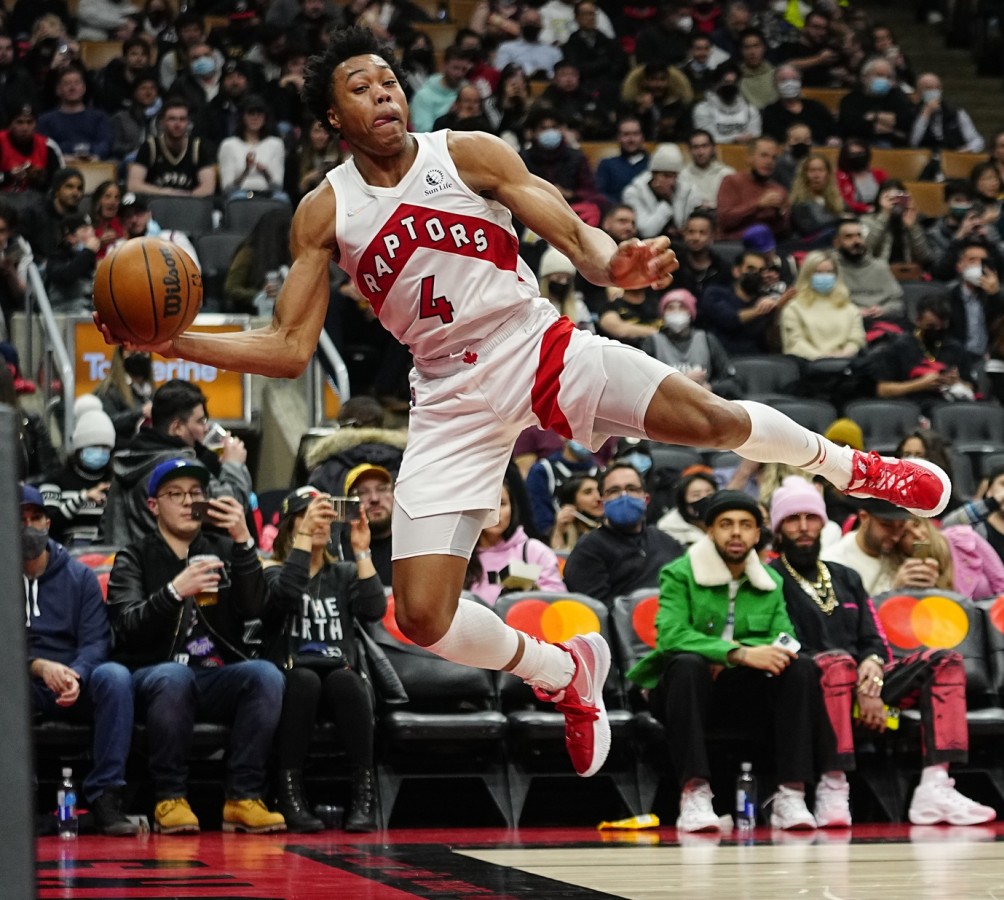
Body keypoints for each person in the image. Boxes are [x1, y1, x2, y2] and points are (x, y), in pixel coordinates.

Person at [96, 27, 953, 783]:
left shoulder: (465, 151)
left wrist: (611, 261)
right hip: (448, 395)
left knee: (713, 419)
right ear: (333, 120)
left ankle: (858, 468)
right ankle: (560, 671)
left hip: (534, 343)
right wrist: (174, 342)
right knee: (422, 615)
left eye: (389, 80)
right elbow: (287, 349)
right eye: (360, 88)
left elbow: (570, 233)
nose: (383, 94)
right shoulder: (326, 210)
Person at [769, 479, 997, 827]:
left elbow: (874, 639)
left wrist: (872, 674)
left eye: (811, 517)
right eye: (792, 519)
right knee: (836, 663)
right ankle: (833, 784)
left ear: (822, 522)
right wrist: (860, 679)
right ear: (778, 529)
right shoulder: (769, 578)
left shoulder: (846, 577)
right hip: (811, 688)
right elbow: (784, 641)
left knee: (945, 660)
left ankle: (936, 785)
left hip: (865, 680)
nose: (803, 527)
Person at [626, 490, 833, 832]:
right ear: (710, 532)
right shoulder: (680, 573)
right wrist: (738, 653)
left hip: (741, 688)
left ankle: (790, 794)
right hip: (686, 691)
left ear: (757, 534)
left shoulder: (771, 580)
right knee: (688, 664)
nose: (735, 533)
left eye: (745, 525)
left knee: (801, 667)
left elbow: (784, 638)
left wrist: (738, 657)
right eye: (726, 525)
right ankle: (695, 793)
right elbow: (671, 636)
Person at [106, 458, 286, 835]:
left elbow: (255, 609)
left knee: (265, 675)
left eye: (196, 493)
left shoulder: (222, 547)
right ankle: (169, 797)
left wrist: (243, 540)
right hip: (154, 673)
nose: (189, 502)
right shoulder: (134, 556)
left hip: (214, 674)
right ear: (153, 505)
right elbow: (127, 628)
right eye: (176, 494)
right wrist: (175, 591)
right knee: (174, 676)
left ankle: (244, 797)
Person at [262, 486, 386, 833]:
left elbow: (374, 610)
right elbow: (285, 595)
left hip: (337, 680)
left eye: (325, 516)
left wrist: (362, 551)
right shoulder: (272, 571)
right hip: (292, 680)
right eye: (307, 515)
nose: (319, 523)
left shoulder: (343, 573)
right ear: (290, 525)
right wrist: (303, 540)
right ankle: (289, 794)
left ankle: (364, 795)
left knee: (346, 679)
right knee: (305, 679)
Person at [21, 485, 139, 837]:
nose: (29, 527)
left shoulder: (80, 577)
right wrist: (39, 666)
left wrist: (77, 674)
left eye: (36, 518)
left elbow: (95, 640)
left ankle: (106, 797)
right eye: (20, 519)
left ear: (48, 522)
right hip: (24, 679)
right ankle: (19, 796)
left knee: (116, 678)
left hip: (74, 678)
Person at [102, 379, 253, 546]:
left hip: (123, 566)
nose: (205, 429)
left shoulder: (126, 462)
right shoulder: (182, 469)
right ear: (177, 428)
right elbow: (230, 511)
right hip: (169, 568)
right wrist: (234, 465)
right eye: (200, 421)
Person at [564, 462, 685, 606]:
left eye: (632, 489)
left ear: (646, 500)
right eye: (614, 490)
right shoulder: (589, 548)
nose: (624, 496)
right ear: (602, 503)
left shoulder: (665, 541)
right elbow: (594, 610)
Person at [465, 467, 565, 604]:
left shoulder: (534, 551)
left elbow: (559, 600)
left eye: (502, 504)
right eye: (489, 505)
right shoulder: (461, 555)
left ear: (513, 508)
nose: (496, 513)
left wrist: (532, 591)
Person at [38, 402, 116, 546]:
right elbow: (48, 523)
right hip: (68, 555)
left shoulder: (115, 481)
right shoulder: (55, 481)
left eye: (105, 448)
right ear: (79, 448)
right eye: (93, 447)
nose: (99, 452)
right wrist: (82, 498)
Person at [642, 287, 740, 399]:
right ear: (663, 315)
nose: (676, 312)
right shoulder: (652, 342)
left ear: (691, 312)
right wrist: (683, 381)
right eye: (670, 308)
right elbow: (642, 385)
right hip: (667, 405)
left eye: (682, 307)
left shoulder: (707, 339)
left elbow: (733, 382)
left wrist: (709, 388)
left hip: (703, 403)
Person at [780, 250, 866, 361]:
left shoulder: (849, 308)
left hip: (846, 364)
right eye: (818, 272)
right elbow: (795, 343)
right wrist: (823, 359)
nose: (825, 276)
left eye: (829, 272)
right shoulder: (793, 308)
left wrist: (843, 356)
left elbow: (856, 339)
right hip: (808, 367)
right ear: (807, 274)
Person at [340, 462, 397, 586]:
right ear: (349, 504)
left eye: (382, 489)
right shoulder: (339, 552)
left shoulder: (413, 544)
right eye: (362, 492)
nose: (374, 498)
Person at [656, 470, 717, 547]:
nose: (705, 498)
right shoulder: (667, 530)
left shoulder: (727, 521)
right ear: (683, 502)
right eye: (696, 495)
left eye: (710, 494)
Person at [549, 472, 604, 553]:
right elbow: (559, 560)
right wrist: (559, 531)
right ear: (571, 502)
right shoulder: (557, 532)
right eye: (588, 492)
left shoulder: (614, 526)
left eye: (600, 491)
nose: (599, 498)